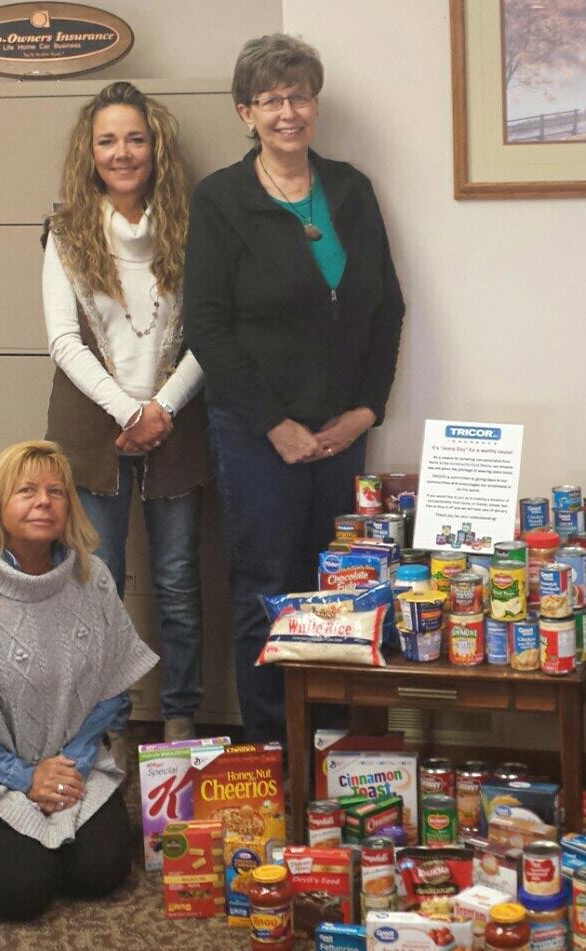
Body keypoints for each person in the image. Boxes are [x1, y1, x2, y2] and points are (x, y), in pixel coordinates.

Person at [185, 34, 405, 743]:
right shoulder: (221, 199)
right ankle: (275, 746)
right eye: (272, 99)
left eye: (300, 95)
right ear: (245, 112)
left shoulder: (350, 189)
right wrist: (276, 424)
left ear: (316, 103)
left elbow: (387, 308)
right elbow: (208, 327)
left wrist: (366, 411)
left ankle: (335, 744)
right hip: (257, 438)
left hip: (342, 433)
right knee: (266, 590)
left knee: (339, 589)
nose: (289, 111)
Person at [0, 441, 157, 921]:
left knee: (103, 873)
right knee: (22, 893)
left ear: (69, 506)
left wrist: (70, 766)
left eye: (55, 491)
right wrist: (24, 776)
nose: (44, 501)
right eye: (26, 491)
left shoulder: (92, 578)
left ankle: (33, 837)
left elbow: (112, 689)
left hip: (66, 759)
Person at [43, 81, 208, 742]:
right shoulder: (65, 232)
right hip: (92, 433)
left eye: (135, 138)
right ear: (90, 151)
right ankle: (104, 724)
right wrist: (127, 412)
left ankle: (180, 715)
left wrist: (161, 407)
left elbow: (212, 334)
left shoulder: (197, 228)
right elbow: (62, 340)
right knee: (98, 588)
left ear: (156, 147)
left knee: (177, 585)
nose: (122, 152)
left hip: (180, 425)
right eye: (108, 140)